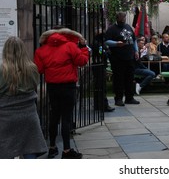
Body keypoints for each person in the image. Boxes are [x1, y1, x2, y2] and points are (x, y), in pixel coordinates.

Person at [34, 27, 89, 159]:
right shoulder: (70, 46)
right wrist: (84, 48)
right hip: (68, 86)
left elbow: (40, 69)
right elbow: (82, 61)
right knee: (66, 117)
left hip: (52, 86)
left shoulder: (41, 50)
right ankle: (66, 150)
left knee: (54, 115)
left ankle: (52, 147)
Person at [0, 37, 47, 159]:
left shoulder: (2, 70)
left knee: (5, 151)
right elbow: (34, 86)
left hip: (6, 118)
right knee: (30, 147)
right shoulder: (32, 68)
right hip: (28, 116)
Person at [105, 11, 140, 106]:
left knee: (130, 78)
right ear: (117, 18)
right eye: (121, 18)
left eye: (124, 18)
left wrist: (136, 51)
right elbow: (106, 41)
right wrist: (116, 44)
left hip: (130, 57)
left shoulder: (128, 27)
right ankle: (118, 98)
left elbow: (134, 40)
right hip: (118, 58)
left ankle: (129, 97)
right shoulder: (112, 29)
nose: (123, 20)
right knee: (119, 79)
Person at [91, 30, 115, 112]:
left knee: (98, 86)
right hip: (99, 66)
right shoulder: (98, 43)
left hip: (98, 65)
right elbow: (101, 53)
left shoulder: (98, 42)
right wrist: (106, 51)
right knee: (101, 86)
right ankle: (103, 105)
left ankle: (98, 104)